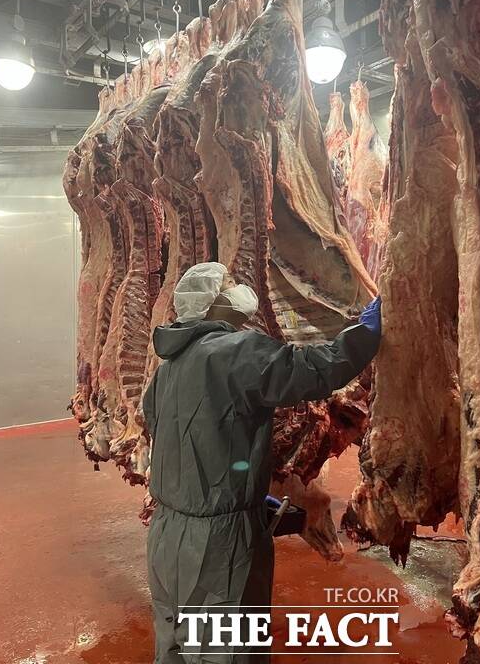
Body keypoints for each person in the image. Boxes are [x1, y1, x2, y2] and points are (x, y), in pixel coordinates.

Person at [143, 261, 382, 664]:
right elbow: (313, 371)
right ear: (211, 303)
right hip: (220, 542)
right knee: (228, 650)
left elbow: (180, 441)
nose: (239, 289)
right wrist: (365, 334)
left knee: (176, 644)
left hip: (167, 534)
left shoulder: (167, 371)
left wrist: (238, 487)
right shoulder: (235, 351)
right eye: (230, 284)